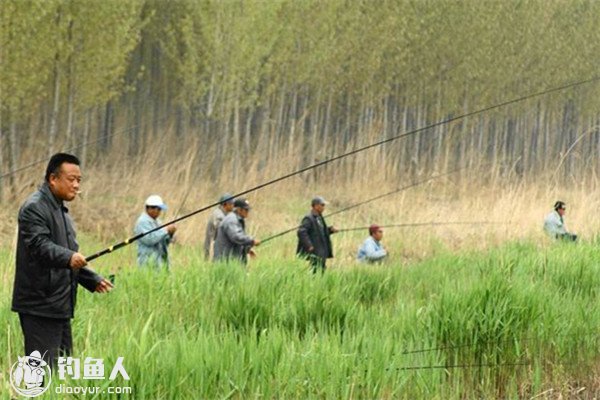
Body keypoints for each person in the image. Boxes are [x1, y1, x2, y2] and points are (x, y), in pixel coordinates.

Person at [11, 153, 113, 367]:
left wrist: (91, 279)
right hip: (39, 305)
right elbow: (40, 246)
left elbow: (70, 255)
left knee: (63, 371)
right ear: (53, 179)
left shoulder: (62, 212)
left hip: (59, 305)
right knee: (42, 375)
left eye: (79, 180)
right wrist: (69, 257)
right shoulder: (34, 207)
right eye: (71, 179)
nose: (76, 185)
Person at [296, 196, 338, 273]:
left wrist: (330, 230)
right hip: (315, 251)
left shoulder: (319, 217)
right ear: (315, 206)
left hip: (322, 250)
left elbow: (320, 232)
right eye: (322, 205)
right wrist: (309, 245)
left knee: (321, 270)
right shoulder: (308, 218)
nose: (323, 207)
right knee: (315, 270)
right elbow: (301, 232)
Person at [134, 195, 177, 270]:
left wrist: (170, 234)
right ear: (150, 208)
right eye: (159, 209)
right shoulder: (142, 222)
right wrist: (166, 230)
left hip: (160, 262)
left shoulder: (158, 222)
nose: (160, 212)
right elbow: (149, 239)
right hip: (147, 262)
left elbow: (164, 241)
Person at [213, 198, 260, 265]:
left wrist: (247, 249)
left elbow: (235, 242)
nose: (247, 212)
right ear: (238, 209)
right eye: (246, 210)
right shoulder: (231, 220)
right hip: (224, 262)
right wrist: (252, 241)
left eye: (248, 210)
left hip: (230, 262)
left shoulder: (237, 220)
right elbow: (236, 237)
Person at [203, 193, 235, 260]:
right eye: (231, 204)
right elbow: (222, 228)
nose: (233, 205)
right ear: (225, 204)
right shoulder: (218, 215)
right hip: (212, 247)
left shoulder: (225, 213)